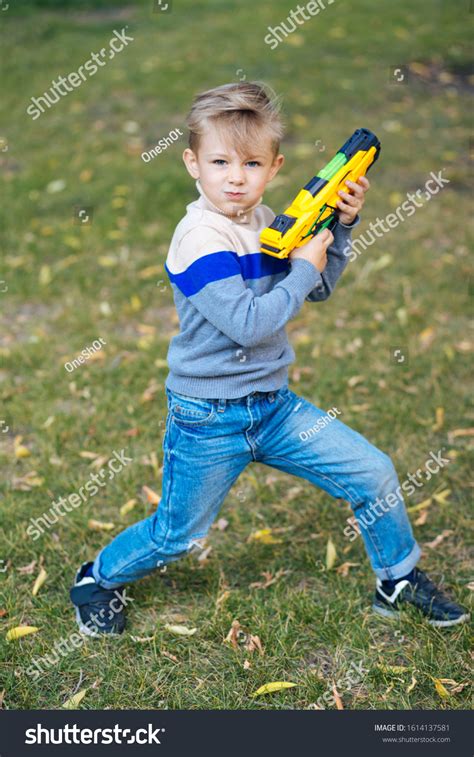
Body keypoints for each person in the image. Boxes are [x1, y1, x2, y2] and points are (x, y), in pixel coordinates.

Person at [70, 81, 469, 635]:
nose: (237, 177)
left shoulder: (267, 221)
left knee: (372, 472)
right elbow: (250, 323)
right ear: (192, 163)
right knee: (176, 537)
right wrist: (303, 266)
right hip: (208, 417)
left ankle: (396, 581)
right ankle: (96, 578)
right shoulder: (198, 238)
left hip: (274, 408)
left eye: (252, 163)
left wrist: (339, 228)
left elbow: (319, 288)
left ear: (275, 166)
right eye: (220, 161)